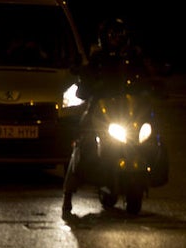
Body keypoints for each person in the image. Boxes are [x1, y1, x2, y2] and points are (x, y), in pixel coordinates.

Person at [61, 17, 149, 216]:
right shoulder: (98, 59)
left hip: (125, 110)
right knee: (82, 142)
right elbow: (85, 84)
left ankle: (151, 168)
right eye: (112, 36)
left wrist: (151, 88)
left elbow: (144, 78)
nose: (116, 40)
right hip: (100, 109)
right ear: (104, 37)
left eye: (120, 36)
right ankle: (68, 193)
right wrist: (86, 84)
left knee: (148, 134)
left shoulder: (132, 58)